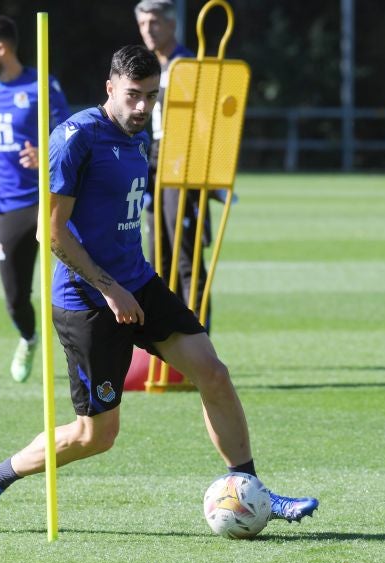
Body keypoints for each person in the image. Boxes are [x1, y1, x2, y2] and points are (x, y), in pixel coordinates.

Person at [0, 45, 318, 534]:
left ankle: (250, 488)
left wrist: (128, 285)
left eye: (152, 96)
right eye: (133, 96)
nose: (143, 107)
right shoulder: (75, 138)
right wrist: (109, 289)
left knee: (212, 372)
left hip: (139, 283)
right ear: (110, 89)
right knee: (96, 435)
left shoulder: (138, 137)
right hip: (86, 301)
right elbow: (51, 232)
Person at [0, 16, 71, 383]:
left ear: (0, 47)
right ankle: (28, 337)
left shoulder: (42, 86)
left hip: (49, 197)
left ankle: (92, 345)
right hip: (8, 205)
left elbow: (69, 134)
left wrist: (45, 154)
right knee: (14, 296)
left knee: (79, 277)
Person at [135, 0, 211, 328]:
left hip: (183, 164)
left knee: (186, 256)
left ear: (171, 25)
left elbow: (206, 122)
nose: (148, 30)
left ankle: (199, 338)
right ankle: (168, 340)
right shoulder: (151, 66)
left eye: (154, 22)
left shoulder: (187, 65)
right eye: (142, 23)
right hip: (154, 162)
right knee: (158, 254)